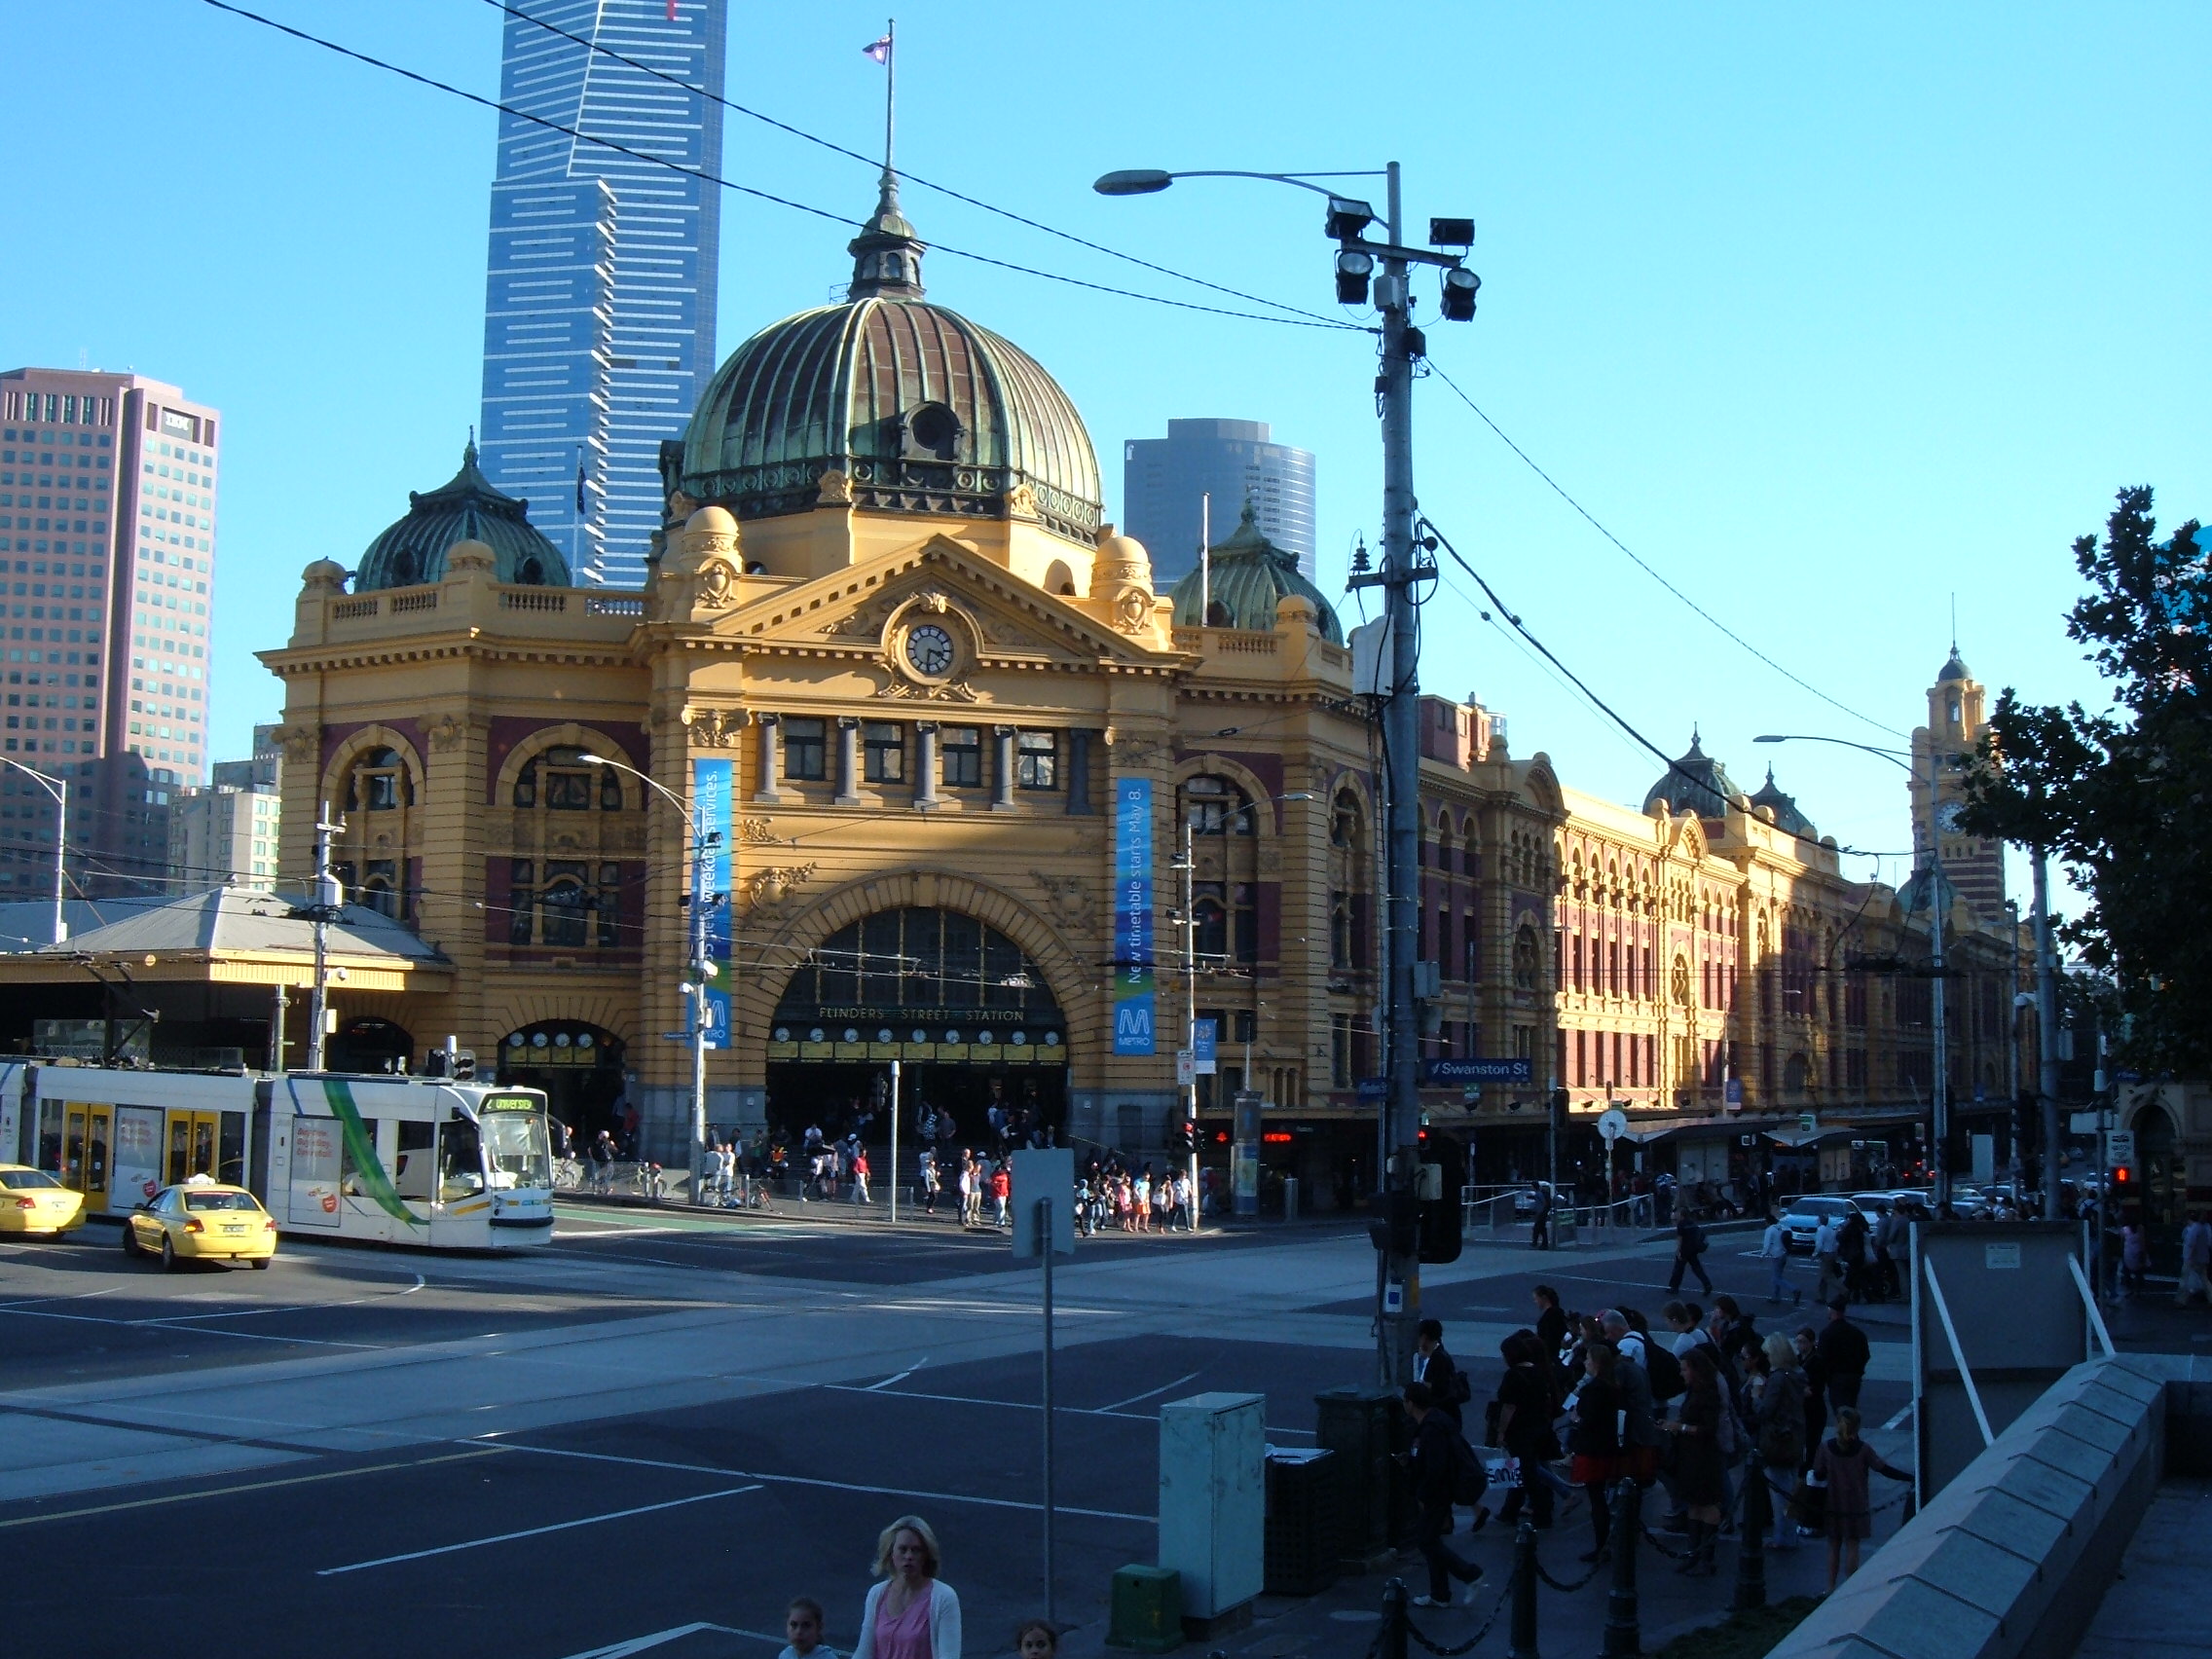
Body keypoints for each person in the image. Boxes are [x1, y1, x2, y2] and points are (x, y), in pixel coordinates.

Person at [1402, 1381, 1486, 1607]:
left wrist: (1422, 1493)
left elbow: (1434, 1467)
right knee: (1431, 1539)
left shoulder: (1430, 1430)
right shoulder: (1437, 1421)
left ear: (1411, 1403)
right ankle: (1440, 1593)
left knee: (1426, 1541)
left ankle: (1470, 1574)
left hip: (1436, 1493)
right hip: (1441, 1490)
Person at [1813, 1406, 1910, 1591]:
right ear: (1857, 1427)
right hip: (1856, 1504)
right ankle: (1849, 1588)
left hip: (1833, 1503)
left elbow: (1818, 1474)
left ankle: (1830, 1588)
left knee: (1833, 1545)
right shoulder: (1863, 1449)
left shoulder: (1826, 1447)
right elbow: (1884, 1469)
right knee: (1853, 1544)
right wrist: (1910, 1477)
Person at [853, 1516, 962, 1659]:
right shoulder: (877, 1594)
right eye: (903, 1549)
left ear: (926, 1555)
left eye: (916, 1550)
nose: (909, 1556)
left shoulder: (944, 1597)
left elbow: (949, 1655)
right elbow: (864, 1652)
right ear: (891, 1553)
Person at [1663, 1346, 1728, 1575]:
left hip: (1703, 1455)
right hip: (1690, 1453)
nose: (1681, 1373)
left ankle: (1705, 1556)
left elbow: (1709, 1429)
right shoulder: (1695, 1391)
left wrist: (1679, 1426)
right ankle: (1694, 1552)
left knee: (1707, 1502)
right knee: (1694, 1502)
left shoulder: (1708, 1394)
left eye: (1684, 1369)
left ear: (1695, 1370)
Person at [1493, 1331, 1564, 1530]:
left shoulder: (1513, 1375)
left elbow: (1509, 1407)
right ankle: (1511, 1510)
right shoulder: (1538, 1372)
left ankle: (1540, 1513)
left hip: (1520, 1431)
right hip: (1538, 1427)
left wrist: (1501, 1432)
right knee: (1524, 1470)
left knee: (1525, 1473)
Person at [1568, 1342, 1626, 1564]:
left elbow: (1587, 1420)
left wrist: (1577, 1419)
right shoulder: (1612, 1386)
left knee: (1596, 1498)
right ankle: (1605, 1542)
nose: (1585, 1363)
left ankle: (1601, 1545)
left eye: (1588, 1360)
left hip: (1592, 1449)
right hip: (1607, 1446)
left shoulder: (1593, 1389)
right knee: (1600, 1496)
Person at [1750, 1331, 1806, 1551]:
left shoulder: (1777, 1379)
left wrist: (1756, 1395)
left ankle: (1782, 1537)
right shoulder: (1796, 1375)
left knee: (1780, 1493)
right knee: (1791, 1490)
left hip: (1777, 1440)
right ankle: (1790, 1534)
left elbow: (1766, 1411)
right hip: (1794, 1437)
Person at [1816, 1299, 1869, 1411]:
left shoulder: (1827, 1334)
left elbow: (1821, 1359)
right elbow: (1865, 1355)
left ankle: (1845, 1427)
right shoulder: (1857, 1333)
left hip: (1837, 1378)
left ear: (1831, 1311)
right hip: (1854, 1377)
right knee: (1850, 1407)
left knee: (1840, 1410)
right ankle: (1850, 1427)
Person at [1414, 1319, 1465, 1430]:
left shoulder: (1437, 1359)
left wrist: (1420, 1386)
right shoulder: (1439, 1355)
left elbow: (1438, 1388)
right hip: (1447, 1416)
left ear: (1424, 1337)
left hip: (1442, 1418)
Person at [1667, 1212, 1714, 1295]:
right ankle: (1707, 1283)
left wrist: (1678, 1251)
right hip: (1693, 1249)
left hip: (1684, 1250)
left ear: (1681, 1215)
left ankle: (1674, 1287)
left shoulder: (1681, 1225)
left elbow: (1680, 1239)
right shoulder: (1692, 1223)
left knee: (1678, 1270)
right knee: (1697, 1268)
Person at [1760, 1209, 1799, 1307]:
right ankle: (1776, 1296)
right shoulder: (1780, 1227)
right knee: (1777, 1276)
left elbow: (1767, 1244)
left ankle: (1794, 1289)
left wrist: (1762, 1255)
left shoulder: (1769, 1230)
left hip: (1776, 1255)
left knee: (1776, 1278)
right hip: (1783, 1253)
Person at [2177, 1212, 2211, 1306]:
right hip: (2203, 1258)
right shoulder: (2205, 1228)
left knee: (2185, 1280)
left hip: (2192, 1259)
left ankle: (2181, 1300)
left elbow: (2191, 1244)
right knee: (2205, 1280)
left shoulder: (2194, 1229)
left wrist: (2189, 1257)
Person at [1532, 1284, 1569, 1361]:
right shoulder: (1556, 1312)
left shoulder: (1551, 1316)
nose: (1535, 1302)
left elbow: (1550, 1339)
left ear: (1544, 1298)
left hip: (1551, 1355)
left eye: (1536, 1299)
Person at [1530, 1181, 1552, 1250]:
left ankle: (1538, 1243)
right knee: (1541, 1229)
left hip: (1541, 1213)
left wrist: (1540, 1211)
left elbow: (1542, 1203)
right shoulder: (1539, 1193)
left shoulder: (1538, 1194)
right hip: (1542, 1213)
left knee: (1538, 1228)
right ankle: (1540, 1243)